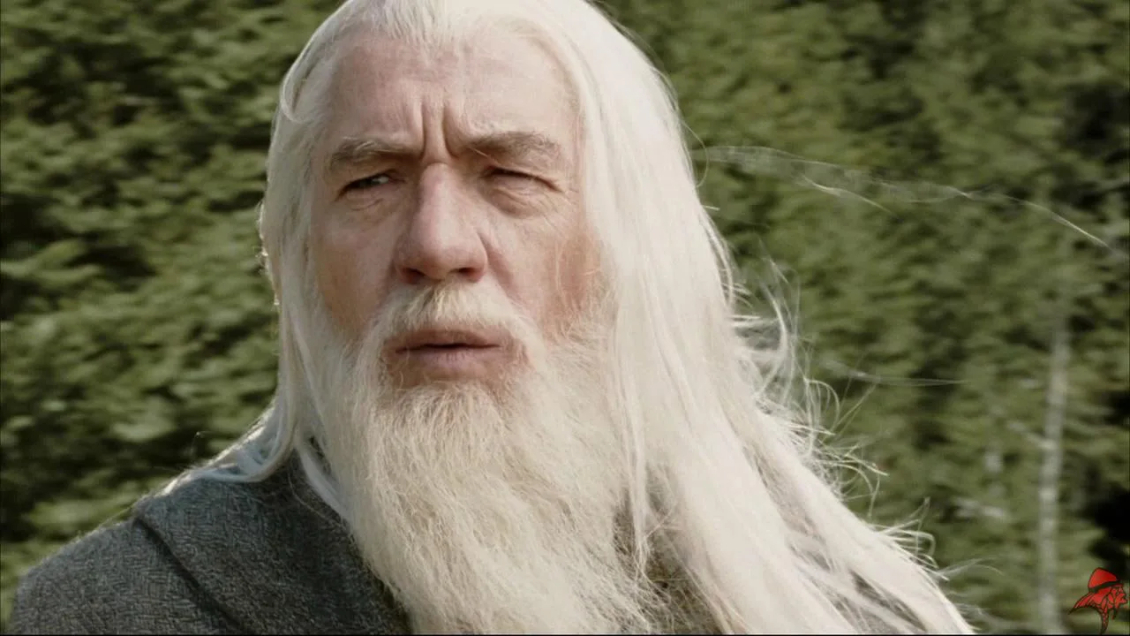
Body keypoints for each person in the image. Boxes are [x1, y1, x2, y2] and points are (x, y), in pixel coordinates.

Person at [8, 0, 976, 633]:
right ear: (298, 259)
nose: (437, 243)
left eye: (508, 174)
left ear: (626, 246)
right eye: (374, 181)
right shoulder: (117, 613)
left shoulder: (828, 607)